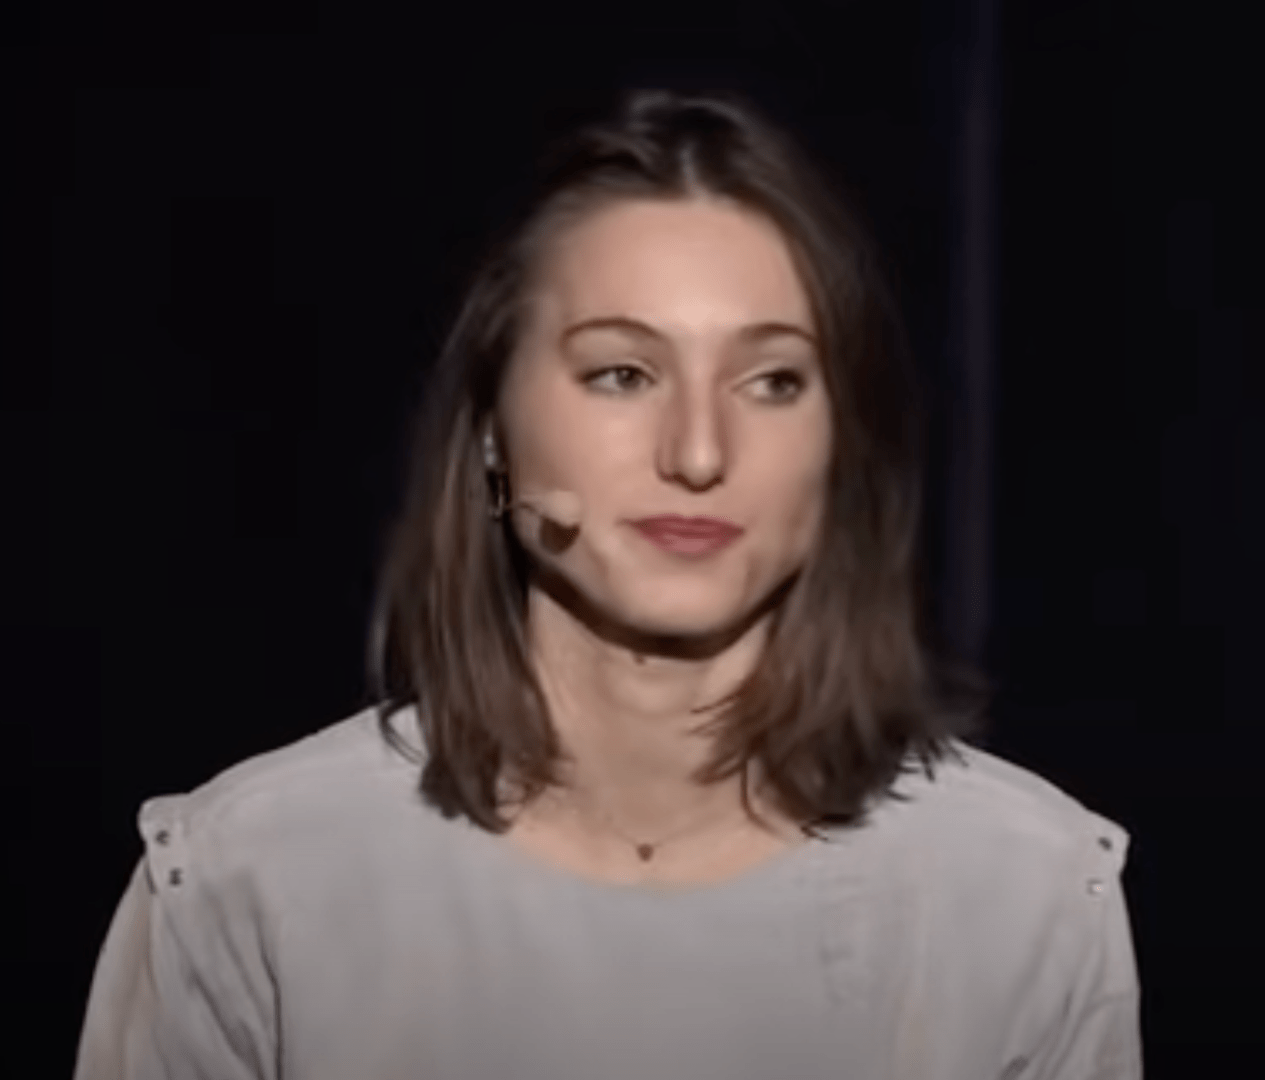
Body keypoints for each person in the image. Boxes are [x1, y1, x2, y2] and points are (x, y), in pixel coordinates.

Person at [72, 89, 1142, 1079]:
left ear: (843, 448)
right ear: (493, 431)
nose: (698, 452)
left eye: (771, 380)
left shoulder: (1021, 901)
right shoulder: (253, 884)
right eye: (622, 373)